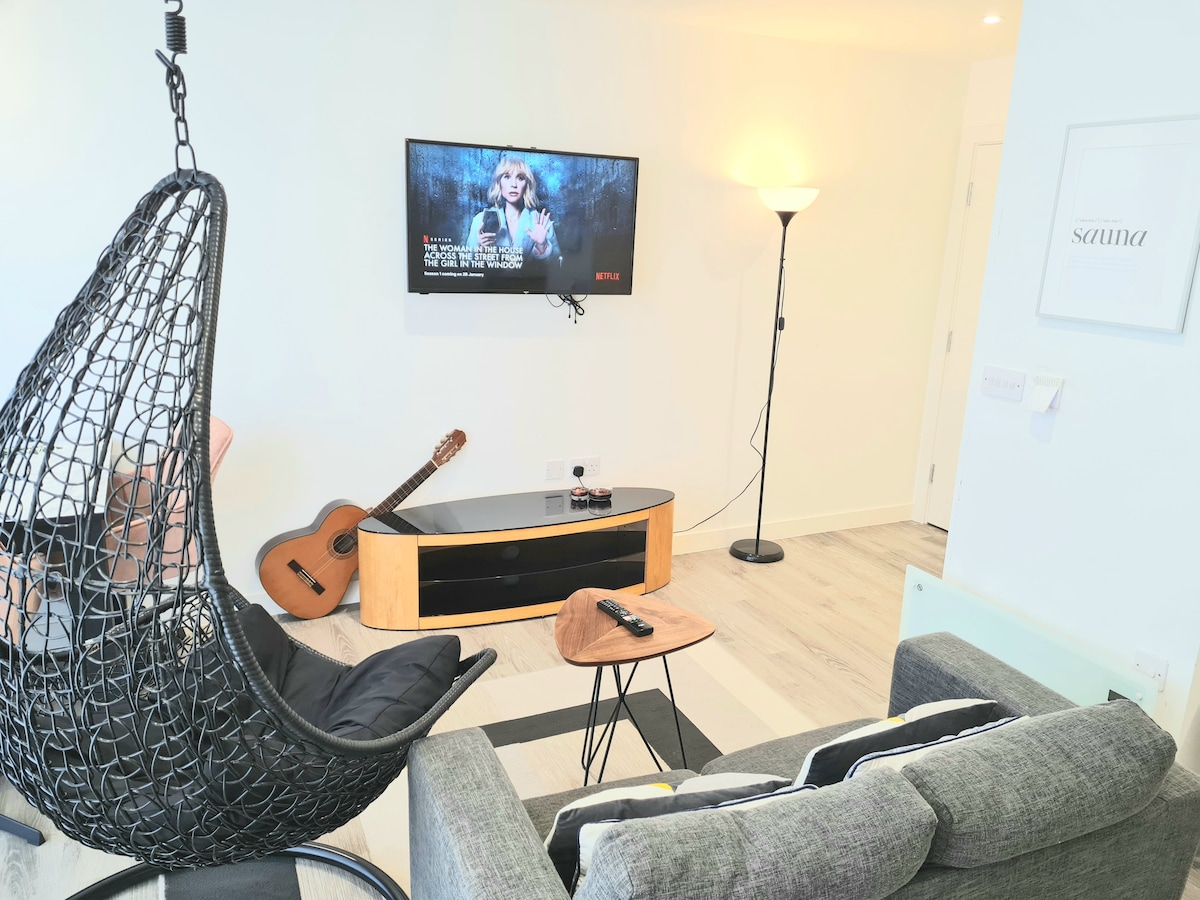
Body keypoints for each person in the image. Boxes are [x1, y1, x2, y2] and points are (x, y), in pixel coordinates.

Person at [466, 157, 559, 260]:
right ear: (499, 182)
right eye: (507, 177)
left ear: (527, 184)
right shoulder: (480, 220)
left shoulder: (542, 223)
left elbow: (557, 268)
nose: (514, 184)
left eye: (520, 178)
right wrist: (480, 250)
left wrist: (542, 246)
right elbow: (465, 268)